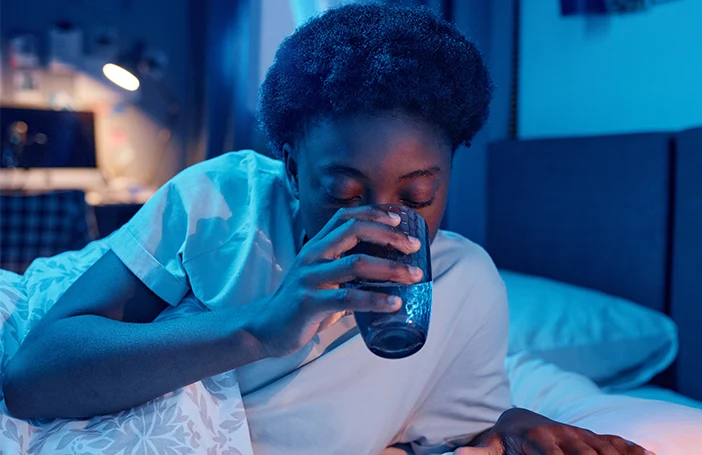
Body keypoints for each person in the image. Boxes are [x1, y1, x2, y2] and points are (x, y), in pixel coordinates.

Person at [3, 4, 649, 455]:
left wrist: (513, 425)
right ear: (290, 167)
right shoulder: (223, 203)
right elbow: (34, 376)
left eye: (418, 195)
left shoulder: (463, 285)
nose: (381, 220)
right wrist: (262, 324)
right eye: (342, 192)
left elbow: (445, 426)